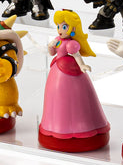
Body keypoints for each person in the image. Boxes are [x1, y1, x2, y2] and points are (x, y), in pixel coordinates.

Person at [39, 10, 110, 142]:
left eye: (64, 27)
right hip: (57, 70)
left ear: (73, 28)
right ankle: (53, 124)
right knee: (55, 97)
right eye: (58, 26)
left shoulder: (71, 44)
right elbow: (52, 53)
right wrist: (50, 46)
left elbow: (77, 56)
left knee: (73, 98)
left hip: (68, 70)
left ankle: (79, 126)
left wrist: (82, 65)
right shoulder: (57, 40)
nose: (60, 30)